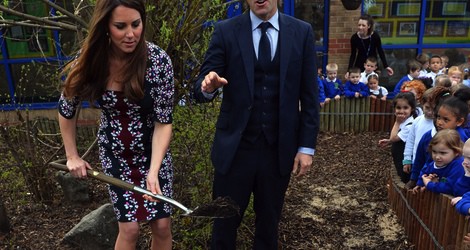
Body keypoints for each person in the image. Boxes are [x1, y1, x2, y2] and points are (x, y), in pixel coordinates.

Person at [192, 0, 320, 248]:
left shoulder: (301, 32)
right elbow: (200, 87)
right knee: (223, 227)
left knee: (268, 228)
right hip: (235, 151)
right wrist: (207, 87)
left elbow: (310, 96)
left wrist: (306, 147)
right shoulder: (226, 30)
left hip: (277, 151)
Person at [58, 1, 174, 249]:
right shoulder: (91, 61)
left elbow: (163, 122)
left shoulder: (158, 61)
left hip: (154, 153)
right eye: (120, 26)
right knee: (130, 229)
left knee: (162, 225)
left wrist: (153, 171)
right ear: (106, 27)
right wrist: (72, 156)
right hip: (116, 154)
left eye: (136, 24)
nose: (131, 34)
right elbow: (66, 108)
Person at [378, 92, 417, 183]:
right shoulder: (405, 121)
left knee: (404, 179)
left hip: (404, 158)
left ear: (412, 109)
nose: (401, 111)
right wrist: (389, 141)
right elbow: (396, 138)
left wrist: (397, 122)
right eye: (398, 108)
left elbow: (394, 137)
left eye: (405, 108)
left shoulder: (409, 125)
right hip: (399, 158)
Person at [412, 129, 464, 195]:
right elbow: (424, 173)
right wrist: (420, 184)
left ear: (456, 152)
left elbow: (449, 187)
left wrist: (429, 184)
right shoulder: (433, 164)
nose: (437, 157)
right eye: (434, 152)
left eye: (443, 153)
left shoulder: (459, 166)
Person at [403, 88, 435, 189]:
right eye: (427, 108)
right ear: (422, 104)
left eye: (434, 109)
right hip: (416, 161)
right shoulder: (417, 121)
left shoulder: (438, 124)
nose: (430, 112)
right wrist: (407, 159)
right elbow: (410, 141)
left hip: (430, 163)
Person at [345, 14, 393, 79]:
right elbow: (353, 55)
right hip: (360, 64)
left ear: (369, 26)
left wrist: (386, 66)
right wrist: (349, 70)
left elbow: (380, 51)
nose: (360, 27)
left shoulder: (375, 36)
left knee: (372, 83)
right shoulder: (354, 38)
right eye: (359, 25)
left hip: (372, 64)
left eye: (363, 25)